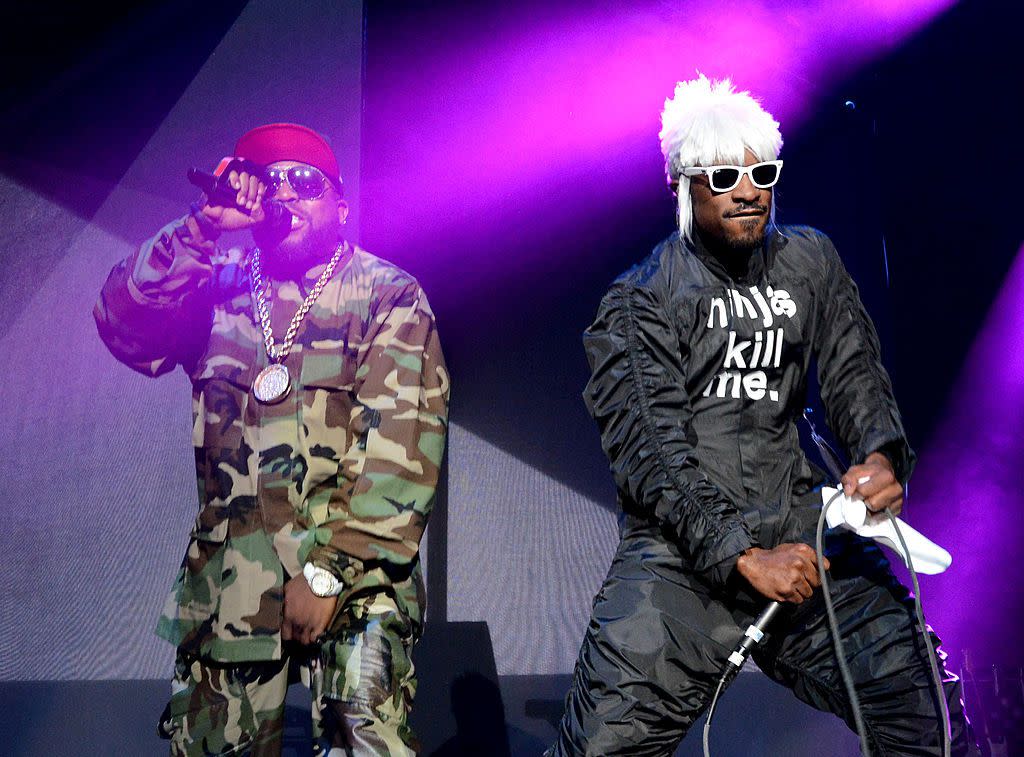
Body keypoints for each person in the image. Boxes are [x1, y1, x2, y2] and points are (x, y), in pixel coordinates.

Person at [548, 75, 978, 755]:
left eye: (761, 172)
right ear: (680, 185)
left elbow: (854, 371)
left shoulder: (810, 261)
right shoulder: (640, 301)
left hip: (803, 537)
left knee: (929, 717)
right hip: (681, 564)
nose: (747, 190)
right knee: (599, 749)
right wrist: (742, 555)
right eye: (723, 176)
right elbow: (654, 456)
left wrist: (879, 455)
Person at [94, 123, 449, 756]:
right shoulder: (214, 287)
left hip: (357, 578)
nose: (286, 195)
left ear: (340, 205)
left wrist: (326, 574)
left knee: (365, 742)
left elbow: (401, 451)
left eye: (305, 183)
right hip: (234, 578)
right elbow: (122, 324)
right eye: (270, 182)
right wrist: (203, 226)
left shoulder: (387, 295)